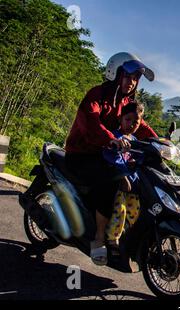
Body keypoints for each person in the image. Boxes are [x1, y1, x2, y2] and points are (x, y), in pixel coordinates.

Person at [65, 52, 158, 265]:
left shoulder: (127, 101)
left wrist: (159, 143)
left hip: (104, 154)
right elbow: (92, 123)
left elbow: (140, 126)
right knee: (111, 179)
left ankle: (123, 230)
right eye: (128, 76)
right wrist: (111, 140)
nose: (132, 82)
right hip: (81, 155)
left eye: (136, 78)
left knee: (136, 177)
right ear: (115, 73)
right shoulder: (96, 95)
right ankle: (99, 239)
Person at [103, 102, 144, 254]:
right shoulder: (115, 137)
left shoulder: (133, 139)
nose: (132, 124)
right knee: (120, 209)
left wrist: (136, 161)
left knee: (135, 209)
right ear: (121, 119)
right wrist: (123, 175)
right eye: (128, 120)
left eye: (136, 122)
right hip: (119, 183)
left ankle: (126, 235)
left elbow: (137, 157)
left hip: (132, 184)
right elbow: (111, 157)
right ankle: (111, 240)